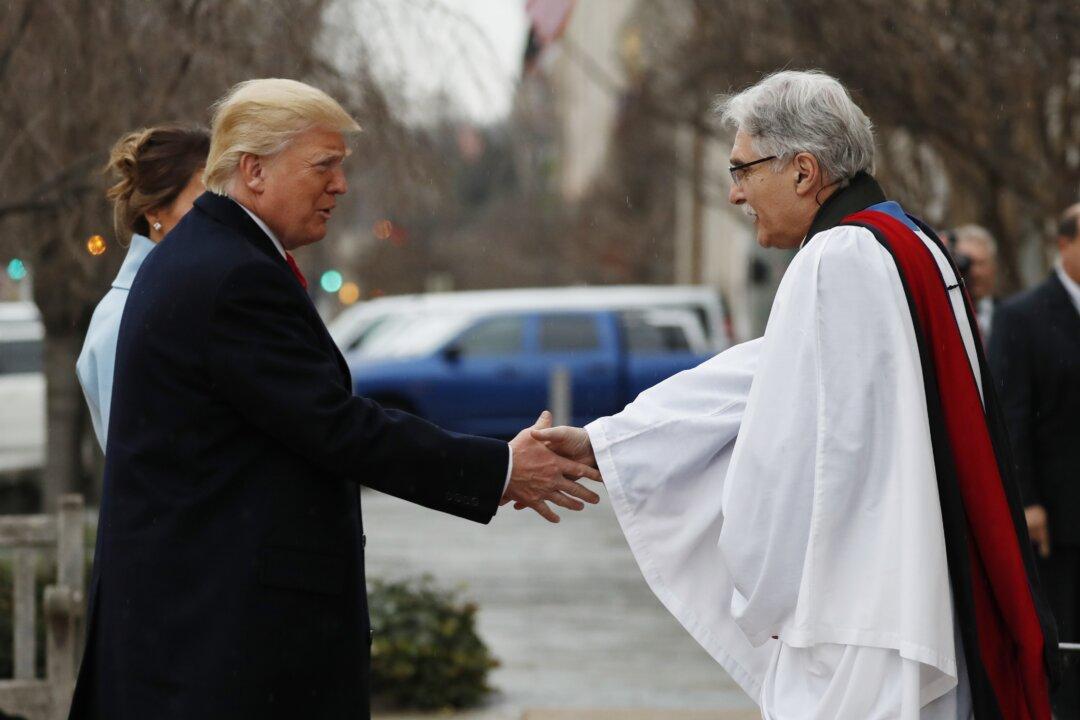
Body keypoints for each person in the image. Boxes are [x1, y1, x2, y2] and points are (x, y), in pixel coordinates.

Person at [67, 79, 601, 720]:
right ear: (254, 171)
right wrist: (503, 470)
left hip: (199, 636)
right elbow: (337, 427)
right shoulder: (231, 273)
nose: (341, 186)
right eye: (324, 166)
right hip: (218, 649)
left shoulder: (210, 254)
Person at [534, 70, 1058, 718]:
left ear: (804, 171)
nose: (734, 194)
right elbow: (762, 373)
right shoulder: (906, 240)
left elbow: (777, 465)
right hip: (915, 587)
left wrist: (757, 578)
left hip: (857, 615)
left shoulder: (834, 260)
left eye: (742, 170)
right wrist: (607, 441)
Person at [990, 203, 1080, 718]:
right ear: (1063, 244)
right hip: (1056, 515)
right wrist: (1027, 501)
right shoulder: (1023, 316)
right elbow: (1011, 416)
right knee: (1064, 646)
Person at [76, 124, 210, 450]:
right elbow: (137, 457)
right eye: (204, 201)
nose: (220, 215)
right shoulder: (124, 315)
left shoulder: (195, 292)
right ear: (154, 211)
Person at [951, 224, 1000, 343]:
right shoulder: (948, 316)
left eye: (981, 263)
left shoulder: (1008, 316)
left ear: (994, 267)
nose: (975, 273)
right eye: (968, 264)